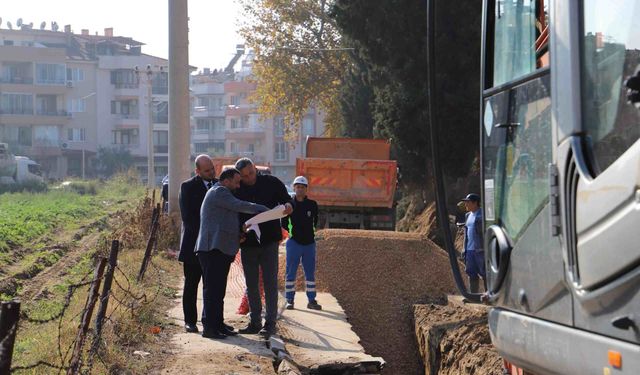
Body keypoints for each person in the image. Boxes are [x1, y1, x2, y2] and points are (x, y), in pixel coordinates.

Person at [195, 168, 269, 339]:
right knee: (212, 290)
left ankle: (218, 324)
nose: (238, 186)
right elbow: (240, 205)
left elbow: (225, 221)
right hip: (211, 249)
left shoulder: (221, 195)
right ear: (226, 180)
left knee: (218, 290)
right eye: (236, 182)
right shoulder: (219, 192)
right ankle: (209, 327)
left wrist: (239, 231)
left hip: (218, 249)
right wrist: (264, 210)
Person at [234, 158, 293, 337]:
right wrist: (240, 229)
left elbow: (288, 201)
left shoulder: (271, 182)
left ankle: (270, 323)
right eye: (244, 176)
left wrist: (290, 206)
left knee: (270, 283)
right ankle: (254, 322)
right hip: (248, 243)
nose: (249, 178)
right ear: (240, 177)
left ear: (255, 168)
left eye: (251, 173)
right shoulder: (237, 189)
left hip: (269, 242)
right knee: (251, 284)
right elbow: (232, 212)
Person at [178, 154, 216, 334]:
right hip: (193, 245)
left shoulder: (219, 186)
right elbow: (188, 218)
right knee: (191, 284)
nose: (211, 173)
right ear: (198, 171)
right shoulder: (187, 187)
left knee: (212, 286)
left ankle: (211, 321)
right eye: (207, 171)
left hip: (213, 246)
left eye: (212, 169)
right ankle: (190, 321)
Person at [282, 176, 322, 310]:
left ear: (306, 189)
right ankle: (289, 300)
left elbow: (316, 220)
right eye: (297, 187)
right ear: (294, 188)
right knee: (290, 272)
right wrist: (292, 234)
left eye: (302, 187)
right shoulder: (289, 205)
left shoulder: (312, 205)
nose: (300, 189)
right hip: (294, 243)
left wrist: (311, 233)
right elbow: (283, 223)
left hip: (309, 244)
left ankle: (312, 300)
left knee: (310, 273)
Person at [461, 193, 485, 293]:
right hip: (470, 250)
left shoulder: (483, 215)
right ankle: (473, 295)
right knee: (471, 272)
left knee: (485, 273)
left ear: (475, 203)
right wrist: (464, 248)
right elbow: (466, 234)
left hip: (480, 249)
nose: (466, 204)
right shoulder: (468, 216)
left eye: (468, 202)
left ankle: (489, 296)